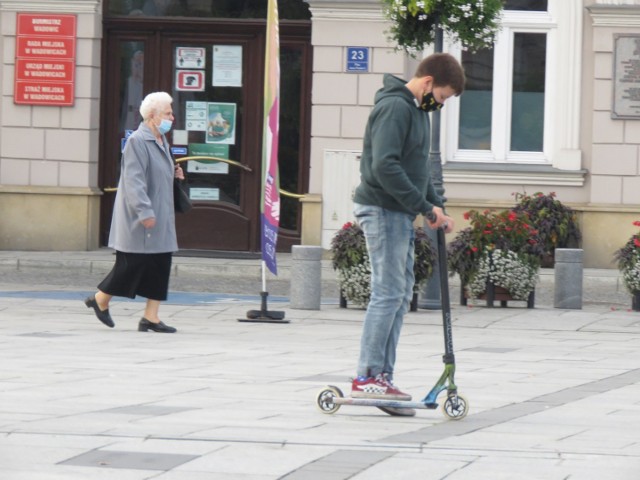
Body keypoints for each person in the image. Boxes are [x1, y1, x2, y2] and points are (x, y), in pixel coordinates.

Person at [350, 53, 465, 415]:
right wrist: (423, 206)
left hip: (398, 211)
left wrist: (435, 205)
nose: (441, 104)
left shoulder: (417, 113)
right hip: (382, 209)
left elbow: (417, 170)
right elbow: (385, 165)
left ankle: (382, 376)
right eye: (443, 96)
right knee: (387, 293)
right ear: (428, 82)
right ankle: (367, 376)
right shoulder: (396, 108)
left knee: (399, 295)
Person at [85, 91, 183, 333]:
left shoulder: (161, 140)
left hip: (160, 215)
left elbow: (157, 175)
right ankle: (100, 299)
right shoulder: (137, 142)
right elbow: (134, 181)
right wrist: (145, 212)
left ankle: (151, 317)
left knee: (161, 264)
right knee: (131, 264)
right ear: (152, 116)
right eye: (168, 113)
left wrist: (175, 175)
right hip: (140, 217)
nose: (172, 117)